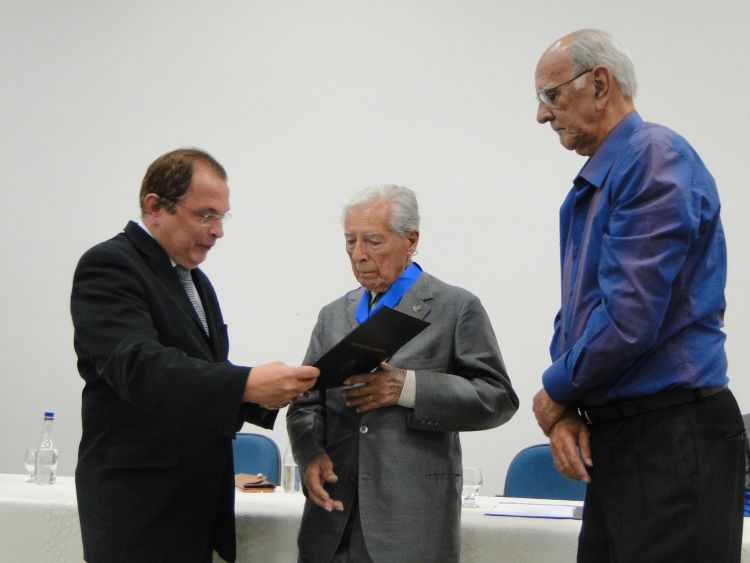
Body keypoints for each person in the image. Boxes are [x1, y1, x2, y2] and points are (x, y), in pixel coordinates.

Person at [530, 29, 745, 563]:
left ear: (599, 84)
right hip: (625, 435)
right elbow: (577, 314)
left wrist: (555, 391)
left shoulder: (652, 157)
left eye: (551, 95)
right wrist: (566, 406)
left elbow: (628, 318)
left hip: (670, 436)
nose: (542, 115)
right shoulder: (603, 180)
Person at [70, 148, 319, 562]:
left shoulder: (194, 280)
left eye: (222, 217)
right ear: (155, 207)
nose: (218, 231)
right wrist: (246, 384)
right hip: (140, 509)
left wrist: (271, 393)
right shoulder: (110, 265)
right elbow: (139, 366)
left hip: (192, 505)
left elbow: (201, 374)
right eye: (205, 215)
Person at [287, 185, 518, 562]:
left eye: (373, 241)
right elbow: (306, 403)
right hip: (331, 523)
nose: (358, 255)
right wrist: (310, 454)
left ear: (411, 240)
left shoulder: (455, 307)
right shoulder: (333, 316)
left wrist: (408, 388)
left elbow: (497, 398)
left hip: (412, 526)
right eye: (350, 241)